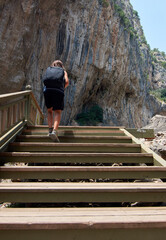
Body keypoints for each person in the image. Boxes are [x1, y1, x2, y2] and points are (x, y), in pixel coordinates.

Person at [42, 60, 69, 142]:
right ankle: (54, 131)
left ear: (53, 65)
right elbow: (67, 82)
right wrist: (62, 87)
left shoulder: (49, 70)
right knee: (57, 112)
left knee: (49, 111)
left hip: (48, 91)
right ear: (61, 66)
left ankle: (50, 130)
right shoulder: (63, 71)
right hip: (58, 92)